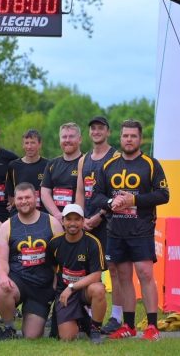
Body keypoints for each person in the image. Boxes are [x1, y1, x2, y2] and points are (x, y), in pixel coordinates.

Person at [91, 119, 170, 342]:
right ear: (120, 138)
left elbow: (164, 195)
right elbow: (95, 195)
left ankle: (152, 326)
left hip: (142, 229)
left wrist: (133, 199)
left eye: (133, 136)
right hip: (116, 230)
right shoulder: (108, 166)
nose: (129, 140)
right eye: (125, 136)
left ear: (140, 138)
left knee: (145, 274)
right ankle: (128, 325)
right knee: (123, 277)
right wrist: (110, 202)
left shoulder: (151, 164)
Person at [0, 182, 63, 340]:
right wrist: (3, 277)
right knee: (0, 287)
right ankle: (9, 327)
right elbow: (1, 259)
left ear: (36, 198)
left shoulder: (52, 223)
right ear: (14, 201)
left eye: (27, 197)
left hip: (42, 284)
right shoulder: (6, 226)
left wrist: (55, 281)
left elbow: (61, 259)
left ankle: (31, 313)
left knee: (32, 336)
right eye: (20, 198)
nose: (23, 201)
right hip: (18, 280)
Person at [75, 116, 122, 334]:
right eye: (93, 128)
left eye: (100, 128)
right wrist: (79, 217)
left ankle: (117, 316)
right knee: (86, 268)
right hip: (86, 222)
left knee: (113, 268)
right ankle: (86, 314)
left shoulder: (116, 157)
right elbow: (80, 191)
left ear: (108, 131)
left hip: (110, 220)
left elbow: (118, 193)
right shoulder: (84, 159)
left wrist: (100, 216)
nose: (96, 131)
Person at [46, 204, 107, 343]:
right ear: (62, 221)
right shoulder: (55, 243)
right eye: (68, 219)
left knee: (98, 289)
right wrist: (57, 285)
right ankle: (84, 319)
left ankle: (95, 330)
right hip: (64, 292)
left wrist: (72, 287)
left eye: (77, 219)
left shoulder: (92, 242)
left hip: (83, 289)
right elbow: (51, 266)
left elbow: (96, 276)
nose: (72, 223)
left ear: (83, 221)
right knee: (67, 338)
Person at [41, 123, 83, 223]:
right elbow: (45, 192)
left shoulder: (87, 162)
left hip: (78, 221)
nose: (67, 140)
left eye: (71, 136)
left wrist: (72, 217)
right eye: (64, 137)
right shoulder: (52, 164)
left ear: (80, 139)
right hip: (56, 221)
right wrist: (57, 215)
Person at [7, 129, 48, 212]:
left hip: (43, 213)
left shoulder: (48, 165)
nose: (29, 147)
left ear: (40, 144)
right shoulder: (13, 166)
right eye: (26, 143)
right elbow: (11, 194)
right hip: (21, 213)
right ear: (23, 145)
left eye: (33, 143)